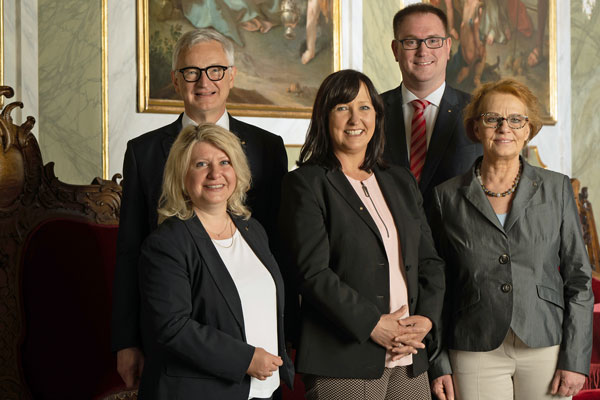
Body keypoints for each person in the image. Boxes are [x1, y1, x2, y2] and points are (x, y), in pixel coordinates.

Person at [111, 28, 288, 387]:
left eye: (215, 70)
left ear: (232, 76)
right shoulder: (143, 152)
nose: (203, 81)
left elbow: (276, 249)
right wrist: (126, 341)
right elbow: (130, 249)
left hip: (259, 345)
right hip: (178, 338)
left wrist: (287, 337)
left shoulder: (268, 148)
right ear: (176, 81)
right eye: (191, 72)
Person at [278, 69, 446, 400]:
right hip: (343, 358)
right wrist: (373, 324)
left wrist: (426, 319)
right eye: (342, 107)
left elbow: (429, 261)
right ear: (324, 116)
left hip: (409, 357)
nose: (355, 118)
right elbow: (312, 274)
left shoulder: (400, 181)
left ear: (377, 116)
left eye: (365, 107)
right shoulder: (306, 184)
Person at [429, 79, 594, 400]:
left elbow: (579, 281)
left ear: (528, 129)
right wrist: (438, 362)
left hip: (544, 343)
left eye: (516, 119)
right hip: (474, 346)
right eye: (492, 119)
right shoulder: (444, 197)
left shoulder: (557, 189)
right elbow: (435, 286)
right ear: (476, 128)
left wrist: (576, 359)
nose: (504, 127)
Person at [137, 123, 294, 399]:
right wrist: (245, 359)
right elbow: (172, 328)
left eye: (224, 162)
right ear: (182, 175)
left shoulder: (252, 229)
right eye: (201, 164)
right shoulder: (167, 243)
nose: (215, 174)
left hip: (265, 390)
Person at [382, 3, 482, 215]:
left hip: (457, 244)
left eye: (433, 41)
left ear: (448, 48)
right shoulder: (371, 112)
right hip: (386, 245)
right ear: (395, 50)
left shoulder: (478, 113)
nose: (423, 50)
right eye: (411, 41)